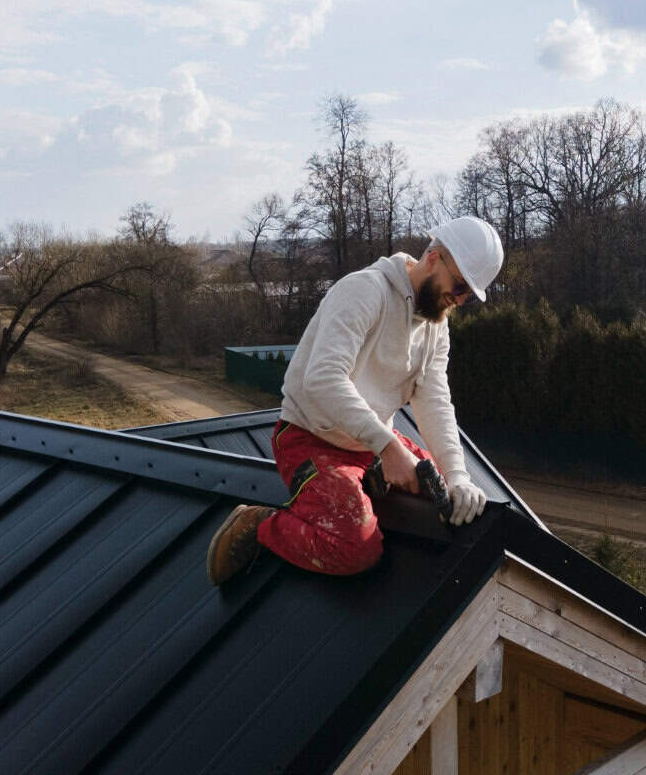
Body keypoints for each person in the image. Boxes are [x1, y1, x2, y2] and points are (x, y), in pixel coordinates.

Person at [205, 216, 503, 585]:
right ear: (434, 258)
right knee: (355, 549)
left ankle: (373, 478)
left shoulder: (435, 325)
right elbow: (323, 380)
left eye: (468, 295)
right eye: (458, 286)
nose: (458, 300)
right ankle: (259, 525)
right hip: (311, 439)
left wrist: (458, 475)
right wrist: (390, 449)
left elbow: (435, 400)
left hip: (371, 446)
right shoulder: (365, 291)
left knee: (446, 504)